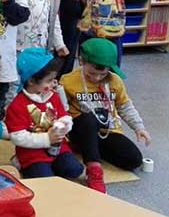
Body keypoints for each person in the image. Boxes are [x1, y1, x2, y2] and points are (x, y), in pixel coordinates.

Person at [60, 38, 151, 193]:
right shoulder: (68, 81)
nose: (96, 78)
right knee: (88, 118)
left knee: (133, 160)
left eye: (101, 74)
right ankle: (94, 170)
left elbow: (124, 106)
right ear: (82, 61)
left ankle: (88, 148)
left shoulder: (115, 81)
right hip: (81, 128)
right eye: (91, 73)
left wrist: (138, 127)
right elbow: (61, 111)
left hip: (107, 130)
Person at [6, 48, 83, 181]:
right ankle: (20, 162)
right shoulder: (17, 105)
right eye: (49, 80)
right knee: (44, 179)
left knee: (74, 169)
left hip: (58, 148)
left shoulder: (53, 96)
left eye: (54, 79)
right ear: (31, 81)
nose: (54, 83)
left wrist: (64, 125)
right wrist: (47, 139)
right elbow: (18, 137)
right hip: (32, 153)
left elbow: (64, 115)